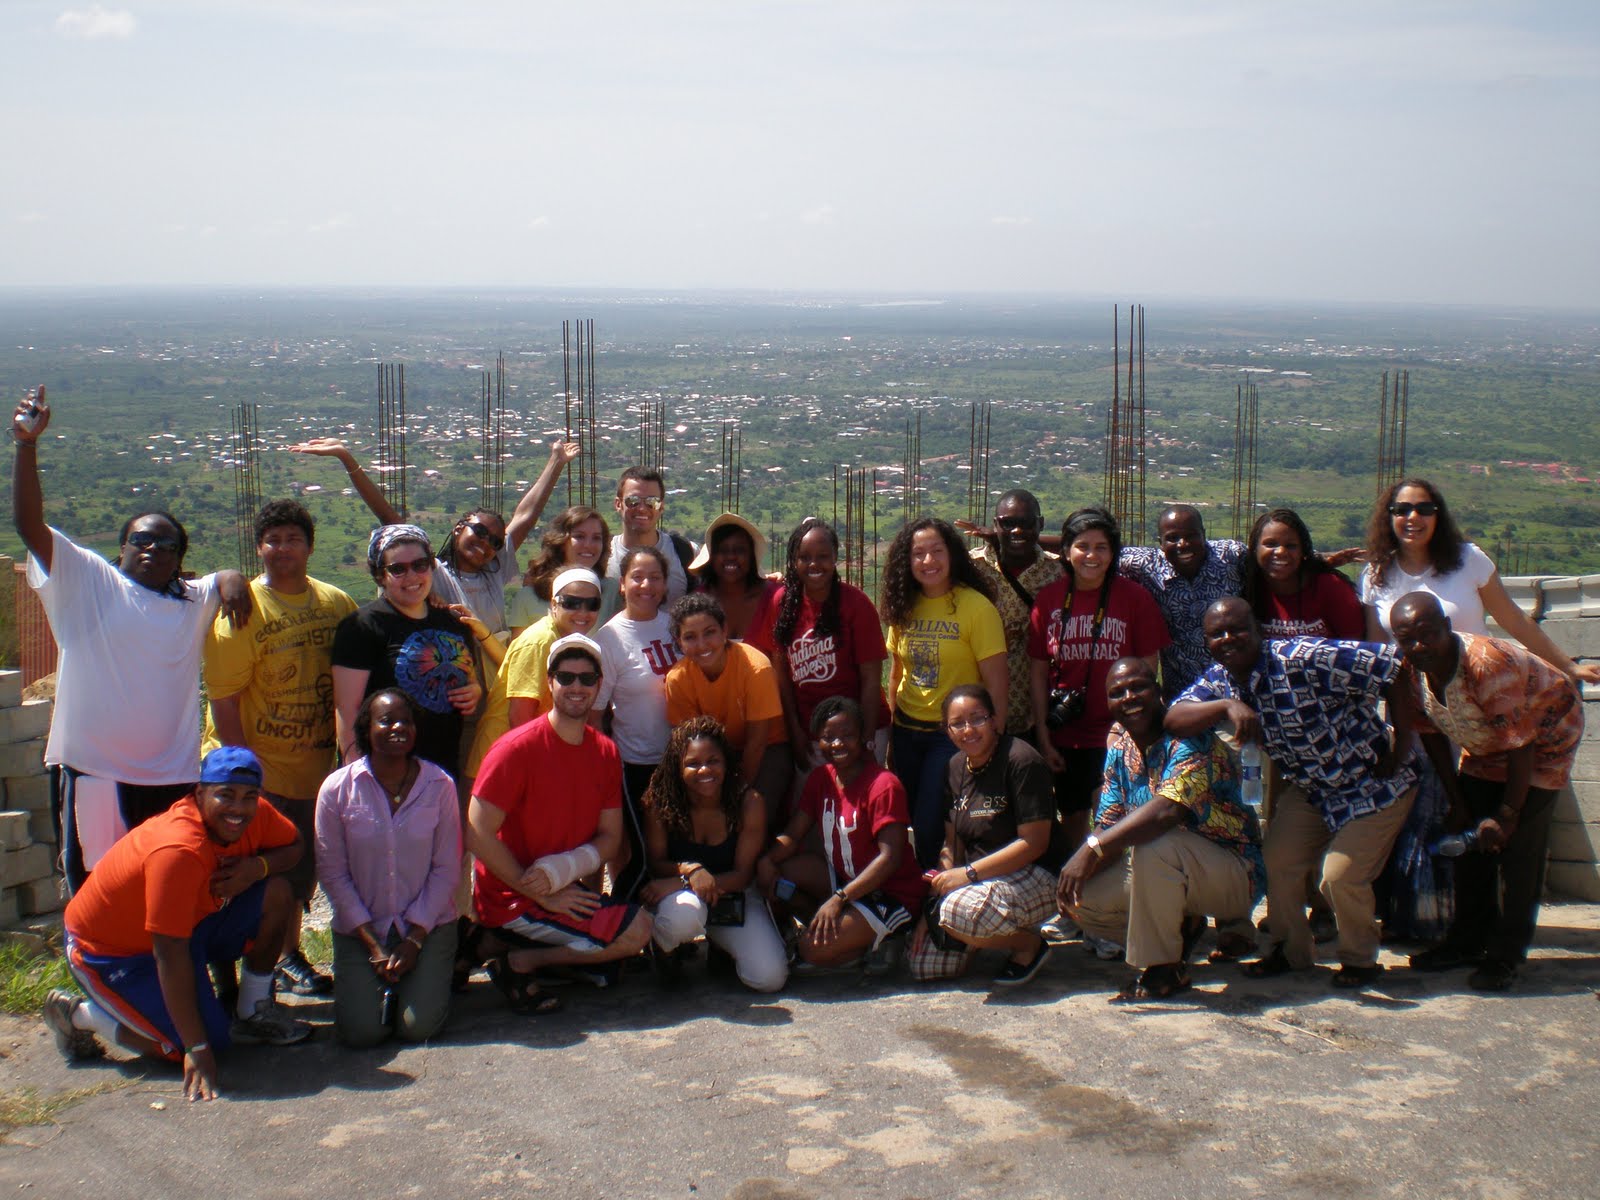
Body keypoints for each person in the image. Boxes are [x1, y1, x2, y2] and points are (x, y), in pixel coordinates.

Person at [11, 387, 253, 892]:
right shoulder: (91, 584)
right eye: (141, 539)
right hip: (97, 774)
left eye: (166, 543)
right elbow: (30, 527)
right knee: (99, 888)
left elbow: (221, 577)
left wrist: (231, 576)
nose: (152, 549)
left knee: (169, 886)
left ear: (178, 556)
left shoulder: (191, 597)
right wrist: (26, 446)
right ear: (121, 548)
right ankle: (97, 971)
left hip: (174, 777)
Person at [1359, 478, 1599, 942]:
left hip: (1496, 706)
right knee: (1436, 815)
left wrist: (1566, 665)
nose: (1413, 517)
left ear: (1438, 515)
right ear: (1387, 518)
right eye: (1401, 509)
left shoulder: (1468, 561)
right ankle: (1429, 921)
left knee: (1501, 820)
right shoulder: (1375, 574)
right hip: (1427, 703)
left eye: (1424, 508)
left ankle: (1494, 938)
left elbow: (1512, 619)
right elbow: (1376, 649)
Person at [1167, 598, 1420, 987]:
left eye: (1238, 629)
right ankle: (1291, 952)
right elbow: (1174, 718)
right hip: (1314, 791)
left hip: (1373, 784)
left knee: (1339, 877)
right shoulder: (1222, 680)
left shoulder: (1303, 656)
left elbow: (1394, 665)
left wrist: (1402, 746)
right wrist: (1226, 705)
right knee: (1277, 862)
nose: (1228, 638)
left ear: (1259, 632)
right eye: (1217, 633)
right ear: (1206, 641)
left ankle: (1359, 960)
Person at [45, 747, 309, 1101]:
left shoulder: (253, 814)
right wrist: (196, 1048)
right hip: (111, 952)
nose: (239, 808)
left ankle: (253, 1009)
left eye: (249, 797)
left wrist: (255, 869)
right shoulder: (177, 849)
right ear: (199, 794)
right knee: (192, 1045)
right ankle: (80, 1015)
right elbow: (169, 954)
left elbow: (294, 846)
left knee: (275, 892)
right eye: (225, 795)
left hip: (186, 930)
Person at [202, 499, 356, 998]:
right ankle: (247, 976)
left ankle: (285, 959)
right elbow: (224, 702)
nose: (282, 548)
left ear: (310, 546)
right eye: (273, 540)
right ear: (258, 547)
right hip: (257, 773)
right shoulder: (241, 610)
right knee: (253, 881)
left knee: (298, 874)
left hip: (312, 770)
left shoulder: (335, 604)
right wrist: (244, 778)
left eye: (293, 539)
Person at [1390, 593, 1583, 990]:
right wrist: (1457, 802)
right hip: (1488, 744)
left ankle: (1505, 955)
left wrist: (1509, 814)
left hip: (1544, 743)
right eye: (1407, 638)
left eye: (1427, 634)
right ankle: (1466, 940)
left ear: (1446, 626)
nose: (1418, 645)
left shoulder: (1486, 665)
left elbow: (1522, 745)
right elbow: (1431, 737)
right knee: (1468, 843)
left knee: (1519, 851)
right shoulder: (1409, 669)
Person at [1058, 658, 1264, 1002]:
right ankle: (1183, 927)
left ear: (1159, 692)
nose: (1129, 697)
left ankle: (1163, 967)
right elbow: (1108, 823)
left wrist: (1090, 847)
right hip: (1171, 871)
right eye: (1117, 692)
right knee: (1084, 898)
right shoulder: (1119, 751)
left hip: (1235, 872)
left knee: (1155, 844)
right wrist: (1074, 875)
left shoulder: (1190, 739)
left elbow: (1166, 811)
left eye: (1138, 686)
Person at [465, 634, 653, 1010]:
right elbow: (475, 832)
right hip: (514, 897)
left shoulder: (605, 752)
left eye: (587, 678)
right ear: (549, 682)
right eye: (566, 677)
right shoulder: (515, 749)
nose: (577, 687)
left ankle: (517, 955)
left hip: (557, 888)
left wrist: (561, 871)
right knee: (637, 930)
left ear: (600, 685)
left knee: (615, 964)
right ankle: (513, 957)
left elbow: (610, 839)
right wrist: (538, 890)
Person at [290, 434, 579, 637]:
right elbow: (390, 519)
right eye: (479, 532)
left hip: (492, 675)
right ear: (458, 528)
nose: (485, 544)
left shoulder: (493, 570)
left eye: (494, 541)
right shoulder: (433, 571)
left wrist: (556, 462)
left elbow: (525, 516)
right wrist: (346, 458)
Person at [316, 691, 461, 1045]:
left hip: (427, 926)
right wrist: (372, 944)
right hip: (362, 928)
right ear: (367, 728)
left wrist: (414, 939)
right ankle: (386, 990)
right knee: (361, 1034)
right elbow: (333, 874)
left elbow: (446, 868)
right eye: (386, 720)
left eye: (405, 721)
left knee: (418, 1028)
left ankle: (412, 988)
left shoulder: (439, 785)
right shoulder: (337, 789)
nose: (397, 727)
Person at [1028, 505, 1169, 849]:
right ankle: (1076, 897)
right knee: (1072, 820)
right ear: (1065, 551)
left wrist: (1133, 731)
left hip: (1116, 733)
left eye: (1101, 548)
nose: (1091, 556)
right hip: (1066, 732)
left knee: (1112, 821)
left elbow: (1149, 668)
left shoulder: (1135, 599)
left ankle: (1113, 898)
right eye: (1082, 546)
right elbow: (1037, 670)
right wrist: (1044, 736)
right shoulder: (1049, 600)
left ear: (1113, 553)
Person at [758, 697, 925, 969]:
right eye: (828, 737)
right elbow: (794, 833)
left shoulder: (883, 785)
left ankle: (884, 939)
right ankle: (840, 928)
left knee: (810, 951)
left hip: (889, 893)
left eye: (847, 735)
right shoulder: (821, 778)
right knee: (784, 873)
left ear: (862, 738)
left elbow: (890, 858)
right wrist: (767, 860)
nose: (837, 744)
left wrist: (840, 899)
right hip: (845, 881)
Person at [908, 686, 1058, 987]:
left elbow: (1035, 843)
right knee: (922, 965)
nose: (968, 730)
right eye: (957, 723)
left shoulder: (1021, 760)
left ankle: (1027, 945)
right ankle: (982, 933)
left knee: (957, 912)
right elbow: (953, 844)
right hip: (980, 880)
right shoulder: (954, 767)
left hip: (1038, 874)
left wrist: (967, 876)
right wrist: (933, 902)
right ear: (946, 730)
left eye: (977, 719)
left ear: (994, 720)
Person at [880, 517, 1008, 869]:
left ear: (952, 555)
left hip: (951, 736)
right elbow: (896, 673)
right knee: (906, 819)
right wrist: (892, 731)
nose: (928, 561)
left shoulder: (976, 608)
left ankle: (935, 903)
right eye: (918, 553)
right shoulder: (903, 605)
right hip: (908, 730)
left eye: (937, 551)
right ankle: (918, 893)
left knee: (929, 823)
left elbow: (997, 681)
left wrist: (992, 740)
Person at [639, 717, 788, 992]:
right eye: (692, 763)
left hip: (733, 895)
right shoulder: (660, 802)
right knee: (683, 918)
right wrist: (690, 871)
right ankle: (664, 949)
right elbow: (656, 864)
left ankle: (721, 946)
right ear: (677, 767)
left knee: (769, 978)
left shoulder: (749, 802)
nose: (704, 769)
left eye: (713, 761)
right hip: (683, 900)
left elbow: (743, 876)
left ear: (727, 762)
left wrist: (685, 880)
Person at [331, 525, 482, 777]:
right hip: (382, 772)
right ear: (380, 576)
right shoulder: (361, 626)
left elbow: (470, 676)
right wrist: (355, 776)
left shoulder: (452, 622)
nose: (412, 576)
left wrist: (474, 691)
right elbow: (347, 710)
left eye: (420, 564)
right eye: (398, 569)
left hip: (441, 772)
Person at [764, 517, 889, 773]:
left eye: (822, 556)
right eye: (804, 557)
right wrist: (796, 733)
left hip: (860, 730)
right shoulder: (782, 604)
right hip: (811, 735)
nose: (814, 564)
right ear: (794, 560)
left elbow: (871, 681)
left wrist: (864, 742)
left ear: (835, 559)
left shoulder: (856, 604)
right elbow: (782, 678)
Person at [593, 547, 681, 900]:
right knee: (644, 857)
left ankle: (660, 938)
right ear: (623, 583)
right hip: (635, 765)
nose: (647, 585)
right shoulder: (610, 638)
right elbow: (597, 713)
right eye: (638, 577)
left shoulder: (676, 625)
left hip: (681, 762)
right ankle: (614, 930)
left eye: (655, 577)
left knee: (673, 854)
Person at [465, 567, 605, 782]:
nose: (583, 612)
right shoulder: (540, 641)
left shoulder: (563, 640)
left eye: (592, 604)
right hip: (504, 764)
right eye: (571, 603)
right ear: (553, 604)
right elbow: (519, 716)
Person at [664, 593, 789, 818]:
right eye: (690, 637)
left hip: (767, 749)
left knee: (751, 810)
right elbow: (690, 742)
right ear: (679, 642)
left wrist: (736, 790)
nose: (702, 644)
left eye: (709, 632)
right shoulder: (677, 679)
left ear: (724, 631)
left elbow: (757, 741)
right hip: (715, 753)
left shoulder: (756, 668)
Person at [1117, 505, 1247, 701]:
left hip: (1238, 691)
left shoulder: (1231, 556)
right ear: (1160, 543)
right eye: (1172, 538)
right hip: (1183, 699)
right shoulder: (1146, 565)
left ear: (1204, 535)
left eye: (1191, 535)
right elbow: (1100, 555)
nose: (1183, 544)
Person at [965, 489, 1066, 739]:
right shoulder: (971, 568)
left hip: (1037, 710)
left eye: (1026, 523)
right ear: (995, 524)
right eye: (1008, 523)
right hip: (977, 710)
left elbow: (1099, 544)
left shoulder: (1058, 571)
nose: (1017, 531)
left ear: (1040, 524)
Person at [1240, 508, 1364, 640]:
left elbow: (1355, 648)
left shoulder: (1331, 587)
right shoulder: (1246, 588)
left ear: (1303, 551)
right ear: (1254, 549)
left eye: (1291, 546)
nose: (1281, 551)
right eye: (1270, 544)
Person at [507, 505, 616, 633]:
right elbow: (520, 651)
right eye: (579, 536)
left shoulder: (612, 591)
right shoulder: (527, 598)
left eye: (596, 538)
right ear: (561, 541)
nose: (588, 545)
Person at [606, 466, 696, 608]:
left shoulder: (685, 552)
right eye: (633, 501)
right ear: (618, 504)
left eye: (652, 502)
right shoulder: (603, 555)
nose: (642, 508)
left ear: (661, 506)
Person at [690, 512, 782, 644]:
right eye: (722, 550)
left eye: (739, 550)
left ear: (752, 556)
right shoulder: (697, 602)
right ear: (712, 558)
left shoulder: (775, 598)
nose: (731, 556)